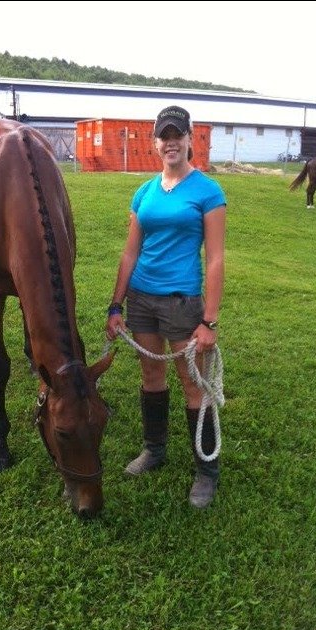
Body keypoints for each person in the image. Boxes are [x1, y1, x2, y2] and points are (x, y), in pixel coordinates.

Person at [105, 105, 226, 508]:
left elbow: (215, 259)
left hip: (182, 302)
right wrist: (115, 305)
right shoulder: (144, 192)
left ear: (190, 139)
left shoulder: (208, 191)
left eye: (177, 134)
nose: (170, 142)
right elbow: (129, 252)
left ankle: (206, 470)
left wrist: (209, 320)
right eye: (164, 135)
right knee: (150, 374)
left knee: (194, 384)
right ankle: (154, 450)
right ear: (155, 142)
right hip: (141, 299)